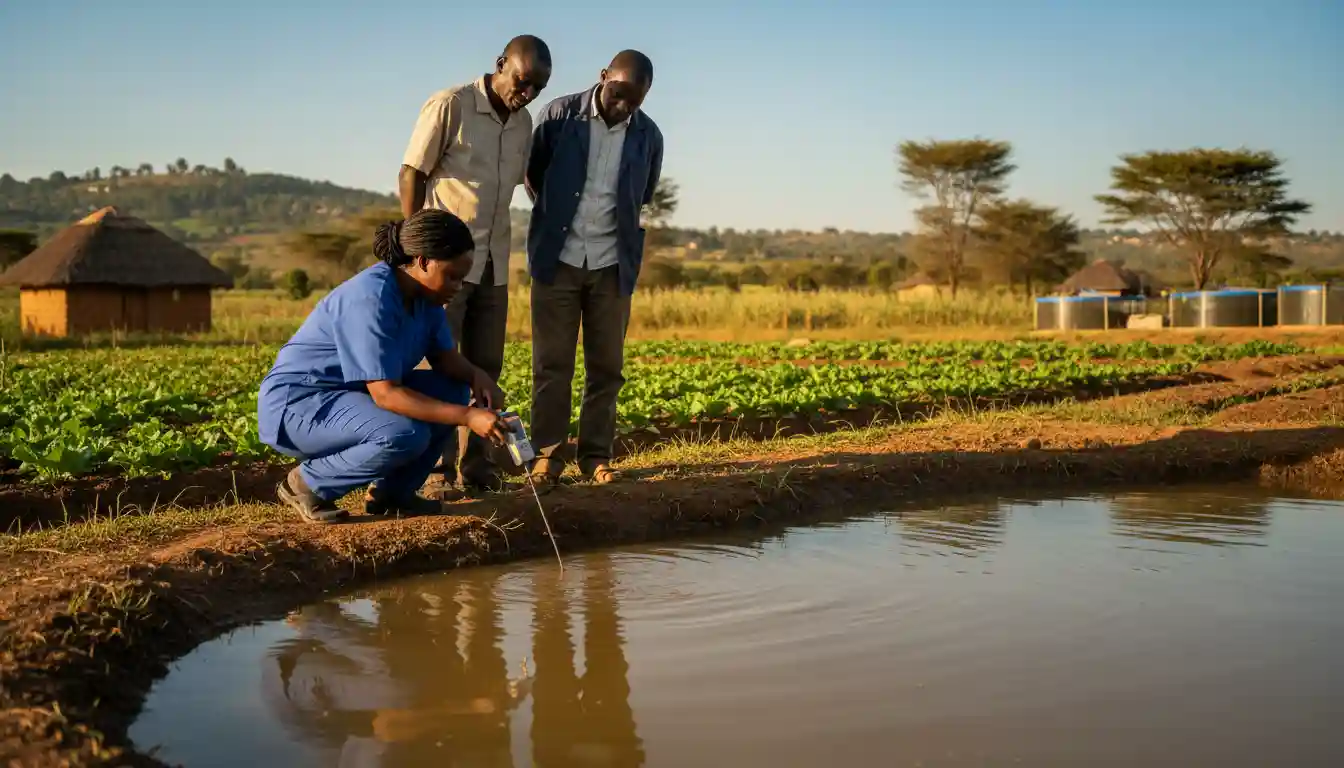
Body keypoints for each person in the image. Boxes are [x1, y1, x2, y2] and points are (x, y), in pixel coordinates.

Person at [257, 209, 509, 523]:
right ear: (423, 261)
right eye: (453, 276)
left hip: (351, 399)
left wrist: (477, 377)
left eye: (462, 278)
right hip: (300, 405)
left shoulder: (426, 298)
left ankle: (393, 495)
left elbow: (444, 357)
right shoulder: (372, 299)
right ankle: (306, 484)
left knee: (452, 389)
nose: (458, 286)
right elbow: (386, 396)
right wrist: (468, 416)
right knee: (405, 434)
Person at [399, 34, 552, 492]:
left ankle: (476, 465)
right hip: (443, 265)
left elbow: (527, 183)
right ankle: (435, 471)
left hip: (494, 262)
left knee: (486, 365)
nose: (525, 95)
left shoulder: (523, 123)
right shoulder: (451, 105)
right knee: (438, 364)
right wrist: (416, 248)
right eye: (521, 82)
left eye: (536, 90)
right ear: (501, 63)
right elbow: (412, 172)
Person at [523, 50, 663, 486]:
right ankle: (547, 456)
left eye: (634, 101)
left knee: (607, 367)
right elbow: (534, 176)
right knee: (552, 365)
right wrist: (558, 218)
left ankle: (595, 457)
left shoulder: (648, 135)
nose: (624, 106)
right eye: (618, 94)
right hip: (558, 258)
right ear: (604, 77)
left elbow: (644, 193)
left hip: (612, 264)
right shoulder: (561, 114)